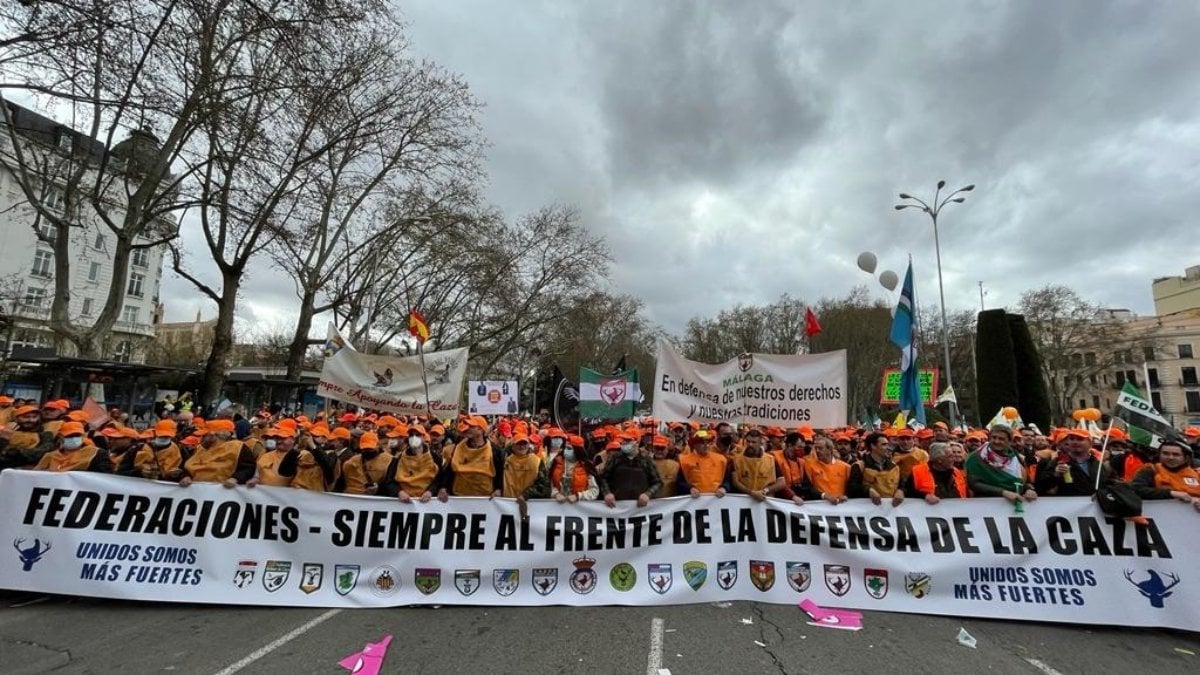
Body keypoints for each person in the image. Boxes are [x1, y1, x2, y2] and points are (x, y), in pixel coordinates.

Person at [964, 424, 1037, 506]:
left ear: (1009, 441)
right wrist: (1003, 492)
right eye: (994, 437)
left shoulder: (1015, 456)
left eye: (1001, 439)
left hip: (1015, 504)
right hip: (986, 505)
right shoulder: (977, 457)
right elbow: (974, 484)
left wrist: (1029, 489)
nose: (996, 441)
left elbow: (1025, 481)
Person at [437, 416, 504, 499]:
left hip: (484, 498)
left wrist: (498, 489)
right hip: (459, 496)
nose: (467, 428)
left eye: (471, 426)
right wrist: (443, 487)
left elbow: (500, 472)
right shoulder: (458, 447)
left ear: (480, 430)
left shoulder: (495, 450)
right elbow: (450, 469)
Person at [1034, 428, 1114, 497]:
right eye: (1072, 439)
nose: (1075, 442)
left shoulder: (1097, 464)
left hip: (1094, 509)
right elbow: (1041, 487)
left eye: (1080, 439)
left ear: (1090, 443)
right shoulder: (1057, 462)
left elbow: (1106, 484)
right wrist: (1055, 474)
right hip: (1069, 508)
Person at [179, 420, 256, 487]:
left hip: (223, 492)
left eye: (204, 435)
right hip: (196, 491)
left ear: (214, 436)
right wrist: (186, 476)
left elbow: (249, 468)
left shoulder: (238, 447)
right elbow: (186, 467)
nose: (201, 438)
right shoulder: (200, 448)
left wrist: (236, 478)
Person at [1129, 439, 1200, 511]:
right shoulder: (1151, 470)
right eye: (1165, 453)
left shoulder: (1197, 473)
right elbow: (1136, 489)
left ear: (1186, 458)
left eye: (1176, 454)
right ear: (1159, 455)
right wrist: (1170, 493)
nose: (1170, 457)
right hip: (1160, 516)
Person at [600, 429, 662, 506]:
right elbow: (603, 478)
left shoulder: (646, 460)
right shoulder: (615, 458)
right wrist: (607, 493)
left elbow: (657, 482)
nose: (624, 442)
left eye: (628, 440)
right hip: (617, 506)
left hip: (640, 508)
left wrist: (648, 494)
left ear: (637, 442)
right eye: (623, 440)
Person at [378, 426, 440, 502]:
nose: (414, 438)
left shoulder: (435, 458)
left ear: (424, 437)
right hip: (402, 503)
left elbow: (439, 479)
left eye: (417, 435)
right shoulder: (398, 458)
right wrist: (399, 492)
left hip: (426, 503)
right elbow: (389, 480)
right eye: (411, 435)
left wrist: (430, 491)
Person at [730, 429, 789, 503]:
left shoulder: (771, 459)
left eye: (754, 442)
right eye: (748, 441)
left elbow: (781, 482)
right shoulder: (736, 459)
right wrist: (752, 493)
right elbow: (735, 482)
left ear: (760, 443)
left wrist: (765, 491)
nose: (750, 444)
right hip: (744, 501)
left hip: (766, 501)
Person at [849, 431, 904, 506]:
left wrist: (901, 491)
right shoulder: (859, 466)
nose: (887, 448)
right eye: (884, 445)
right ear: (873, 446)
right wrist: (868, 491)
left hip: (891, 512)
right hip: (867, 511)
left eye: (887, 444)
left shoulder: (894, 466)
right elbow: (852, 489)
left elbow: (903, 485)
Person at [120, 420, 186, 480]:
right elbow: (121, 471)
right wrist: (139, 473)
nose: (163, 437)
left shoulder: (178, 451)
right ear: (154, 432)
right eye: (161, 435)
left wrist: (175, 475)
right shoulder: (138, 447)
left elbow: (182, 474)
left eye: (167, 436)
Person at [33, 421, 110, 472]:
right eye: (69, 436)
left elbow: (103, 476)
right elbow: (36, 474)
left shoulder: (96, 453)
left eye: (77, 435)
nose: (73, 439)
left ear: (83, 436)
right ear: (60, 437)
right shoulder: (50, 456)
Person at [0, 404, 55, 469]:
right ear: (16, 418)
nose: (31, 420)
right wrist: (4, 438)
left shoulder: (45, 434)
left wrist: (19, 452)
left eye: (34, 417)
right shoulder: (5, 431)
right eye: (26, 417)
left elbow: (44, 450)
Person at [801, 435, 851, 504]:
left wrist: (845, 496)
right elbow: (807, 488)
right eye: (816, 448)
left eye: (820, 448)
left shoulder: (845, 467)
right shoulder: (809, 464)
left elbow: (851, 488)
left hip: (840, 507)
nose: (817, 451)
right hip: (819, 506)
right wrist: (825, 496)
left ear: (829, 449)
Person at [677, 430, 728, 497]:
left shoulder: (721, 459)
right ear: (694, 445)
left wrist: (724, 488)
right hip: (694, 501)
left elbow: (728, 480)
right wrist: (690, 488)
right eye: (702, 443)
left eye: (708, 442)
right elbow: (679, 482)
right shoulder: (684, 460)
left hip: (717, 500)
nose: (706, 445)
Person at [502, 433, 550, 501]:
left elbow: (543, 486)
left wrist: (525, 495)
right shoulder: (506, 461)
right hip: (508, 503)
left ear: (528, 445)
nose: (522, 447)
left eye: (524, 444)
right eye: (519, 444)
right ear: (513, 446)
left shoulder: (537, 461)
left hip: (530, 504)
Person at [550, 436, 599, 502]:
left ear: (577, 450)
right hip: (558, 507)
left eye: (569, 448)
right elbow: (549, 484)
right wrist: (556, 494)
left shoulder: (587, 466)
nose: (566, 450)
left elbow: (594, 491)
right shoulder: (556, 463)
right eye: (565, 448)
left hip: (578, 508)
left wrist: (578, 496)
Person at [770, 431, 807, 498]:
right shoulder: (773, 456)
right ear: (789, 446)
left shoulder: (802, 462)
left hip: (796, 499)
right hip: (779, 497)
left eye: (803, 447)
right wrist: (792, 496)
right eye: (799, 447)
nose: (802, 450)